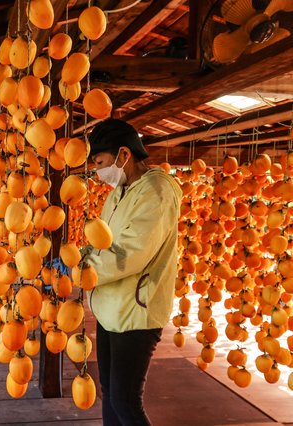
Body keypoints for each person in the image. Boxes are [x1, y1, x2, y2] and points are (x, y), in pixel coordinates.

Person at [84, 119, 182, 426]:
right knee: (110, 394)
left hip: (136, 312)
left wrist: (81, 269)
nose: (99, 174)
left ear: (123, 154)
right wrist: (82, 255)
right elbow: (103, 241)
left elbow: (129, 255)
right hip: (110, 308)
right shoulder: (120, 191)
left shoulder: (156, 191)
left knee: (125, 401)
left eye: (100, 163)